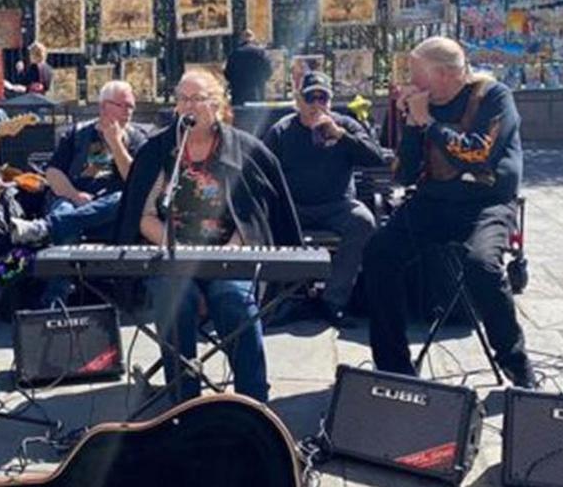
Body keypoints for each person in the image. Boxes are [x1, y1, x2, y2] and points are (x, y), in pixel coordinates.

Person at [115, 69, 302, 404]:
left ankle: (254, 402)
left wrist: (222, 257)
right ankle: (184, 402)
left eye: (197, 99)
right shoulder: (160, 152)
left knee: (234, 302)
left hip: (229, 256)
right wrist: (181, 250)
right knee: (175, 300)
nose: (188, 106)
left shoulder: (244, 150)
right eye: (182, 99)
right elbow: (144, 216)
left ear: (217, 104)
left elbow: (253, 217)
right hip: (174, 256)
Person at [362, 36, 534, 388]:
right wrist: (412, 126)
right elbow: (403, 175)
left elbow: (479, 155)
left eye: (416, 74)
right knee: (379, 252)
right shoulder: (421, 106)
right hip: (434, 201)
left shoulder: (493, 97)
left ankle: (516, 364)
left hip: (487, 203)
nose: (410, 81)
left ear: (442, 74)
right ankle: (393, 366)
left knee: (481, 265)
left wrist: (429, 124)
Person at [262, 72, 388, 327]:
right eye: (311, 98)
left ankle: (333, 301)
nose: (317, 105)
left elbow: (376, 157)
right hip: (295, 206)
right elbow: (261, 167)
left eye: (323, 98)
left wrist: (341, 136)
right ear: (299, 101)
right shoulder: (282, 130)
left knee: (363, 221)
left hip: (337, 204)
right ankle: (288, 298)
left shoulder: (345, 125)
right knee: (269, 222)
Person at [10, 80, 149, 306]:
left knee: (123, 199)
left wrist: (116, 143)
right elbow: (53, 173)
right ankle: (55, 302)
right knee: (66, 216)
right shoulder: (77, 133)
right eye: (122, 105)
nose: (128, 112)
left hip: (110, 213)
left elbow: (137, 184)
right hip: (73, 198)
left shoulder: (137, 138)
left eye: (131, 106)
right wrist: (75, 196)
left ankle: (45, 229)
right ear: (103, 106)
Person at [223, 30, 272, 104]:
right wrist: (261, 80)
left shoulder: (235, 53)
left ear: (241, 39)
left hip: (239, 95)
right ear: (253, 38)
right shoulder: (261, 53)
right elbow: (269, 71)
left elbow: (227, 73)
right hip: (257, 93)